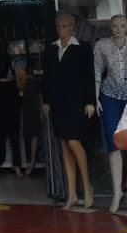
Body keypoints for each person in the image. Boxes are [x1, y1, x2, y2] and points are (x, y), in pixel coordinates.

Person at [43, 12, 97, 210]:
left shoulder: (82, 49)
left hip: (77, 102)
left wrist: (90, 101)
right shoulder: (51, 50)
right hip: (58, 103)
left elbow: (89, 76)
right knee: (65, 145)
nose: (61, 29)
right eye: (59, 26)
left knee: (74, 142)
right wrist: (46, 100)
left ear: (73, 27)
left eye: (65, 25)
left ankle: (87, 187)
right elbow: (47, 78)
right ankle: (72, 193)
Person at [95, 15, 127, 212]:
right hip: (109, 96)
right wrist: (94, 97)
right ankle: (117, 192)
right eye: (115, 26)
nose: (119, 29)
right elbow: (97, 70)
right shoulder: (102, 45)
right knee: (113, 143)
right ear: (110, 27)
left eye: (122, 26)